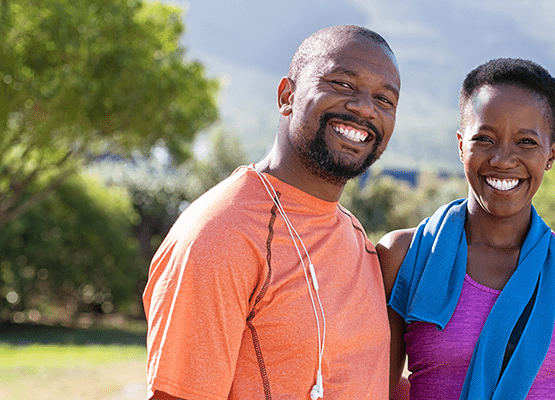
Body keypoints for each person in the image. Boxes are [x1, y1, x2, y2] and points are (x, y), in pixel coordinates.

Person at [143, 25, 400, 400]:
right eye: (343, 84)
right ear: (287, 96)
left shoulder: (355, 237)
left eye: (385, 99)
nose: (364, 107)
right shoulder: (222, 234)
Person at [377, 58, 555, 400]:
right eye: (485, 139)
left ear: (551, 153)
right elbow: (369, 388)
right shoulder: (404, 257)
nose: (503, 160)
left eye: (526, 142)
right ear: (461, 145)